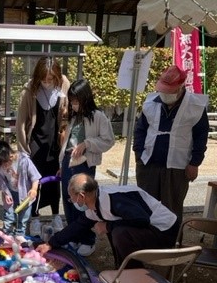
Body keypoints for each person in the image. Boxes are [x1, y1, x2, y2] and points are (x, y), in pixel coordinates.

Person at [36, 173, 179, 267]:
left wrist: (108, 226)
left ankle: (131, 275)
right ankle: (122, 269)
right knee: (115, 229)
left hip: (165, 232)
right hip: (152, 229)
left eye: (71, 197)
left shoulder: (113, 200)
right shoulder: (95, 202)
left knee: (118, 232)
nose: (71, 200)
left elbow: (142, 220)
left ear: (81, 196)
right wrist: (50, 244)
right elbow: (77, 226)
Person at [133, 64, 209, 226]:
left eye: (170, 91)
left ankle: (169, 245)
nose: (165, 95)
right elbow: (140, 130)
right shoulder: (151, 102)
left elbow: (201, 136)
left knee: (171, 208)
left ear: (180, 87)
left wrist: (195, 163)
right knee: (146, 206)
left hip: (177, 167)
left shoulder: (195, 106)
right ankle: (146, 242)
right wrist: (139, 154)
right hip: (149, 164)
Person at [58, 78, 115, 256]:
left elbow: (108, 140)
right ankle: (73, 237)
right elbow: (67, 143)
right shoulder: (74, 117)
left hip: (84, 164)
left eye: (76, 101)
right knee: (69, 201)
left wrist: (87, 144)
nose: (74, 105)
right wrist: (62, 163)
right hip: (69, 162)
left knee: (84, 203)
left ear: (85, 98)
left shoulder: (98, 116)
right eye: (72, 101)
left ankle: (87, 240)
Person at [16, 56, 70, 217]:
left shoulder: (64, 84)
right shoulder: (30, 89)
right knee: (35, 180)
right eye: (44, 79)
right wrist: (23, 149)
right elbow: (20, 122)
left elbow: (69, 112)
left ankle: (55, 214)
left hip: (55, 142)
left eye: (51, 78)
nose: (47, 81)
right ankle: (33, 214)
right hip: (36, 141)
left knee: (54, 180)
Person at [0, 140, 41, 243]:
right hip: (10, 191)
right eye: (0, 166)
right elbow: (0, 180)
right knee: (9, 213)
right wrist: (5, 193)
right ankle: (8, 234)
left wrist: (34, 189)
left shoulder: (23, 160)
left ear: (10, 156)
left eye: (4, 164)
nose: (3, 167)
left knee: (24, 214)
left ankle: (20, 233)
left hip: (25, 192)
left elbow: (35, 176)